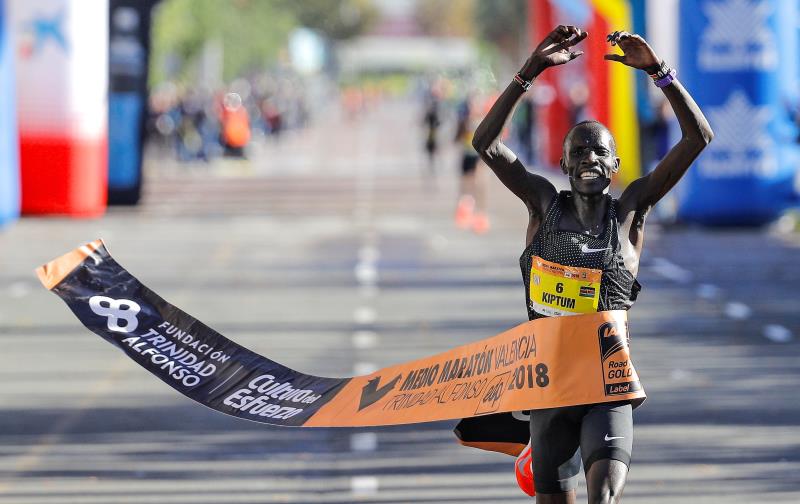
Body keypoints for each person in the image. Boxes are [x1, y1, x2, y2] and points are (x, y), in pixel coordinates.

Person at [459, 26, 714, 503]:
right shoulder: (542, 204)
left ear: (616, 165)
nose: (589, 159)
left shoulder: (631, 210)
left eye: (600, 151)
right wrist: (530, 70)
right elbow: (486, 143)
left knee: (604, 497)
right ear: (564, 161)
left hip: (608, 386)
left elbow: (698, 136)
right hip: (549, 386)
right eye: (579, 151)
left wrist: (660, 74)